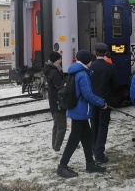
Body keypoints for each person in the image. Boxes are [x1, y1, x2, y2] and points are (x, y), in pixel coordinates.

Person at [56, 50, 108, 178]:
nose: (91, 61)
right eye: (90, 59)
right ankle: (62, 166)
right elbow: (88, 95)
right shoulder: (83, 74)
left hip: (77, 110)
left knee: (87, 137)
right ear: (86, 61)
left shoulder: (74, 71)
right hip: (81, 111)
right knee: (74, 139)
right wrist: (101, 103)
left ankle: (90, 164)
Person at [89, 43, 118, 163]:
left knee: (94, 125)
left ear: (95, 52)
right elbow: (115, 86)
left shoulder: (89, 67)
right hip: (105, 102)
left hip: (92, 101)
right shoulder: (110, 67)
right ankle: (99, 154)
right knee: (103, 126)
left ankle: (93, 149)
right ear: (105, 53)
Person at [43, 51, 65, 152]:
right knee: (61, 126)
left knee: (56, 124)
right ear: (56, 60)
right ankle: (57, 146)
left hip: (53, 100)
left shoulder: (50, 70)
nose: (61, 60)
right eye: (60, 58)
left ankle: (54, 144)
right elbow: (59, 87)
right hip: (57, 101)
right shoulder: (55, 72)